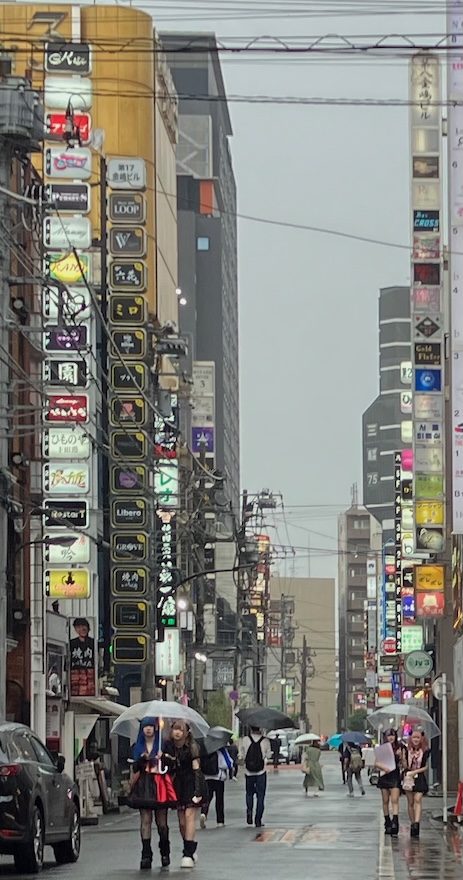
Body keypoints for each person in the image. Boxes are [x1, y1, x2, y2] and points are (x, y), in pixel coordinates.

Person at [127, 717, 177, 870]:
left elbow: (172, 765)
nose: (148, 729)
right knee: (145, 820)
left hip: (160, 783)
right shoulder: (137, 746)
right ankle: (146, 854)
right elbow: (134, 768)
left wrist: (164, 757)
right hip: (144, 784)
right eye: (145, 726)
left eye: (150, 726)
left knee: (162, 821)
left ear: (155, 728)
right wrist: (142, 760)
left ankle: (165, 852)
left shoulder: (164, 744)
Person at [164, 720, 205, 868]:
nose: (177, 732)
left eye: (181, 730)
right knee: (181, 822)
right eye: (175, 729)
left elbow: (197, 770)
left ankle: (187, 853)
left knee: (189, 816)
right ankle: (190, 846)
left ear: (187, 732)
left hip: (191, 783)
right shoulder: (168, 747)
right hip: (177, 785)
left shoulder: (193, 747)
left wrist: (198, 790)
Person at [374, 728, 407, 837]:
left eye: (393, 735)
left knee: (394, 800)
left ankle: (395, 821)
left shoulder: (400, 747)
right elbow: (376, 763)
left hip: (395, 776)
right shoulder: (382, 748)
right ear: (385, 737)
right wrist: (384, 767)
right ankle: (387, 821)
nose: (391, 737)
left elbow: (404, 765)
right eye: (389, 735)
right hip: (384, 775)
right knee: (385, 800)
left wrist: (402, 757)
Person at [239, 726, 272, 828]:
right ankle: (258, 819)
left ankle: (249, 811)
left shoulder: (244, 740)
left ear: (250, 728)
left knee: (249, 794)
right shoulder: (265, 740)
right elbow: (269, 755)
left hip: (248, 772)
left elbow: (241, 755)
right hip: (261, 772)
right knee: (260, 796)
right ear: (260, 728)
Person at [200, 746, 234, 828]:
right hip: (219, 777)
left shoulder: (204, 749)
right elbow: (228, 763)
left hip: (207, 777)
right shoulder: (221, 749)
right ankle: (220, 821)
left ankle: (203, 813)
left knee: (208, 797)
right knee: (219, 799)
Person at [404, 729, 430, 838]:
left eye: (418, 738)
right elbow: (404, 766)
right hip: (409, 777)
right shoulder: (406, 750)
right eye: (414, 737)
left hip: (419, 777)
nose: (415, 740)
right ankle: (413, 823)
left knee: (417, 799)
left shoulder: (425, 751)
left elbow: (426, 766)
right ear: (410, 738)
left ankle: (417, 823)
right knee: (410, 802)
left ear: (421, 739)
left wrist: (415, 771)